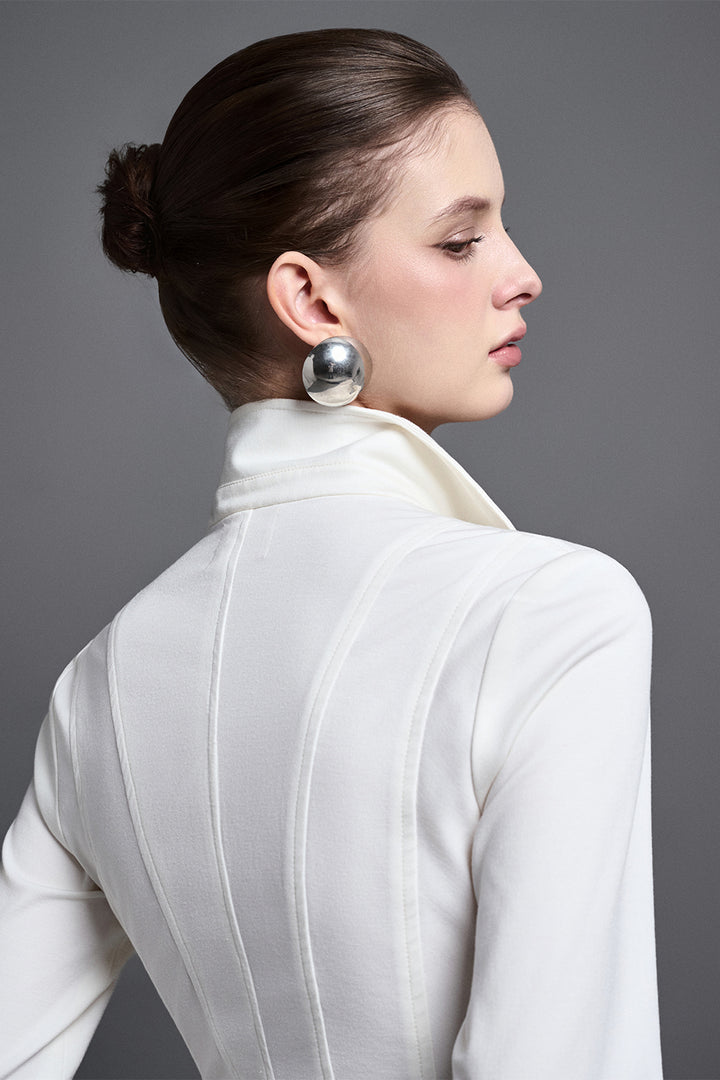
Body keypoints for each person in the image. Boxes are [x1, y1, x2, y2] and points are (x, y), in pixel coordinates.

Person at [0, 27, 662, 1080]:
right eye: (462, 240)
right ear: (311, 301)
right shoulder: (554, 615)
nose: (524, 275)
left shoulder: (100, 691)